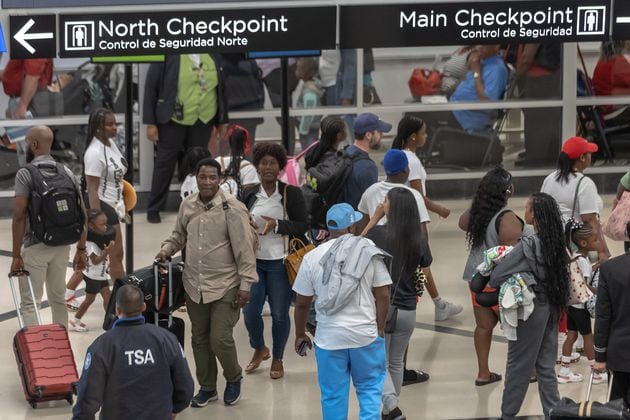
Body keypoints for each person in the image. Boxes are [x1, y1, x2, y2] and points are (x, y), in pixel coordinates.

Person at [156, 157, 257, 407]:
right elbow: (178, 235)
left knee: (219, 338)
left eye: (213, 177)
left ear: (220, 179)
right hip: (194, 284)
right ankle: (208, 387)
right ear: (196, 177)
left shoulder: (232, 208)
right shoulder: (188, 205)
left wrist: (246, 285)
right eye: (203, 177)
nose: (208, 182)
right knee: (199, 339)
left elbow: (245, 249)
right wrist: (166, 250)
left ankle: (233, 377)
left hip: (226, 284)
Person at [293, 203, 391, 420]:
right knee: (369, 391)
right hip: (364, 335)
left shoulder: (311, 258)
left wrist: (300, 333)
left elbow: (301, 303)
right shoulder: (367, 248)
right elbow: (383, 294)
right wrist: (380, 327)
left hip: (328, 339)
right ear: (352, 225)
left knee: (333, 396)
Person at [488, 192, 568, 420]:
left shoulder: (528, 244)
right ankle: (552, 412)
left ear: (535, 214)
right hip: (553, 305)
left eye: (527, 208)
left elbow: (497, 276)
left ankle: (508, 414)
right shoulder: (555, 241)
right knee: (545, 365)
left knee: (518, 365)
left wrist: (519, 270)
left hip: (531, 309)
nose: (524, 211)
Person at [358, 149, 462, 324]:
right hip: (404, 269)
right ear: (405, 171)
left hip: (376, 265)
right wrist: (418, 287)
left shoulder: (370, 191)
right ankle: (438, 304)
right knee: (401, 330)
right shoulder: (411, 195)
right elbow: (422, 234)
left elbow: (362, 229)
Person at [72, 285, 194, 419]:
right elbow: (185, 385)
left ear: (117, 310)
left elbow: (88, 396)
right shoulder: (167, 339)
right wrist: (174, 408)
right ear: (143, 307)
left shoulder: (102, 346)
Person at [363, 188, 433, 420]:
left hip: (383, 308)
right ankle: (389, 411)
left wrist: (374, 218)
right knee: (395, 363)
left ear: (392, 207)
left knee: (377, 363)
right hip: (407, 310)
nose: (383, 203)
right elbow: (424, 266)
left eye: (386, 201)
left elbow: (357, 246)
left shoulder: (378, 235)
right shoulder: (419, 238)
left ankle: (392, 407)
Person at [241, 143, 308, 379]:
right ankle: (259, 348)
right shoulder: (248, 193)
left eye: (273, 163)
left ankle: (278, 358)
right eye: (264, 162)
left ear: (280, 167)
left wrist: (277, 225)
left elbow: (303, 225)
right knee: (250, 313)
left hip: (280, 263)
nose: (268, 167)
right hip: (254, 263)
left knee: (280, 314)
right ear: (257, 166)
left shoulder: (291, 193)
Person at [11, 126, 87, 329]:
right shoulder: (67, 172)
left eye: (28, 142)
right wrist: (81, 249)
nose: (27, 146)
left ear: (34, 144)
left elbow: (19, 216)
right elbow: (82, 213)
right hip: (62, 246)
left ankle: (35, 351)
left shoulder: (25, 174)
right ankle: (61, 344)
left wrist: (16, 255)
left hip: (35, 246)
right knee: (58, 298)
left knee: (31, 302)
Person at [459, 168, 529, 386]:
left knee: (483, 326)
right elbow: (512, 254)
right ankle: (528, 372)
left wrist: (480, 200)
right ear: (508, 191)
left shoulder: (478, 213)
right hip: (500, 282)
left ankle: (483, 373)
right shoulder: (506, 218)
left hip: (476, 278)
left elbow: (462, 223)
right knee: (519, 328)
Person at [143, 54, 228, 224]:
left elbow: (221, 89)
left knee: (198, 164)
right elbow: (151, 87)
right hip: (173, 119)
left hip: (203, 118)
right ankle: (154, 207)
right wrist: (150, 123)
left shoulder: (213, 54)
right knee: (165, 163)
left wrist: (222, 119)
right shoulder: (168, 54)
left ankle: (198, 203)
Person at [541, 136, 609, 262]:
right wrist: (603, 251)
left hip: (549, 243)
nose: (591, 157)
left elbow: (540, 211)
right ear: (582, 158)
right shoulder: (584, 183)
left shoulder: (549, 179)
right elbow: (590, 221)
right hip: (575, 246)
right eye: (589, 154)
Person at [419, 45, 508, 139]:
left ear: (496, 46)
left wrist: (476, 73)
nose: (479, 47)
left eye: (484, 45)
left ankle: (425, 150)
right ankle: (431, 147)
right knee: (416, 105)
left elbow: (487, 104)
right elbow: (463, 83)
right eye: (479, 44)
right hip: (455, 106)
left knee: (417, 115)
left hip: (467, 116)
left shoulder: (497, 69)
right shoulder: (480, 61)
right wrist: (468, 68)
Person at [558, 221, 605, 384]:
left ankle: (564, 371)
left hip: (571, 305)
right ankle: (596, 372)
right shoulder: (583, 261)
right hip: (580, 306)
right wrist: (600, 291)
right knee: (588, 338)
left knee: (570, 336)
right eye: (595, 240)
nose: (598, 243)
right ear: (584, 243)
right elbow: (584, 285)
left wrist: (596, 265)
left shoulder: (575, 257)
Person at [83, 108, 126, 281]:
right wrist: (98, 220)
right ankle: (120, 298)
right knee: (116, 255)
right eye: (109, 124)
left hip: (115, 204)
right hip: (103, 206)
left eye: (115, 123)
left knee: (111, 256)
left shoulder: (110, 143)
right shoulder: (94, 153)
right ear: (98, 128)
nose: (114, 127)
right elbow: (92, 189)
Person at [593, 233, 630, 408]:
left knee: (618, 409)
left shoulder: (610, 269)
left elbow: (603, 315)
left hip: (620, 353)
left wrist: (600, 355)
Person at [391, 116, 450, 218]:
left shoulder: (402, 155)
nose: (426, 136)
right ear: (413, 136)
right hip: (411, 214)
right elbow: (418, 196)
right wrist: (440, 210)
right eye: (423, 133)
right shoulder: (412, 161)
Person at [515, 43, 562, 167]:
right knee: (547, 126)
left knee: (536, 126)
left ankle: (535, 163)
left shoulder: (538, 26)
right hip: (551, 79)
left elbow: (527, 58)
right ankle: (546, 161)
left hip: (539, 82)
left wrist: (514, 77)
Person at [3, 58, 55, 167]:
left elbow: (33, 76)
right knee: (23, 149)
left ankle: (32, 180)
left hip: (29, 102)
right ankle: (27, 180)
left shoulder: (33, 47)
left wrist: (22, 105)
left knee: (29, 149)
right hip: (20, 100)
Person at [69, 209, 114, 332]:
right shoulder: (90, 244)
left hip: (100, 275)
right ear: (91, 226)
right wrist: (106, 252)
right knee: (89, 300)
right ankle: (75, 320)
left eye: (106, 224)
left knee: (108, 297)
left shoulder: (98, 240)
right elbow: (95, 261)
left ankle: (110, 320)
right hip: (93, 277)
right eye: (102, 224)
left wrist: (107, 262)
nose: (106, 227)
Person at [343, 112, 392, 209]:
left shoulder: (346, 151)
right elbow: (373, 205)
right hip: (357, 220)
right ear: (369, 135)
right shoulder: (367, 167)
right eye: (379, 132)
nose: (381, 135)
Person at [216, 125, 259, 199]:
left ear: (229, 142)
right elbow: (250, 197)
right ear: (245, 143)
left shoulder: (218, 161)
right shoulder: (249, 168)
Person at [295, 57, 324, 152]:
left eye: (298, 68)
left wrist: (303, 130)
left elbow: (308, 113)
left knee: (309, 152)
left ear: (306, 72)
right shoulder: (309, 86)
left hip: (308, 130)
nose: (296, 71)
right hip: (311, 128)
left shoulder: (309, 92)